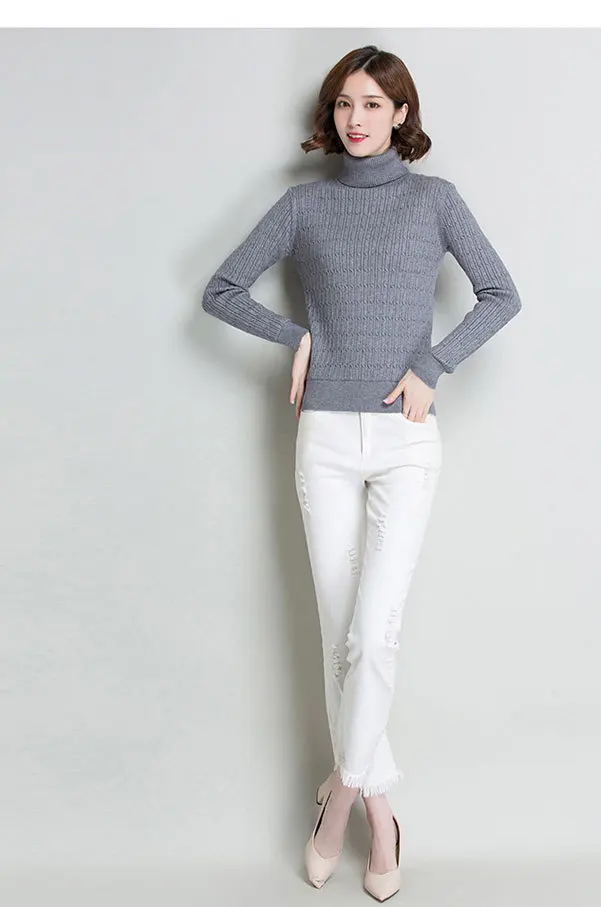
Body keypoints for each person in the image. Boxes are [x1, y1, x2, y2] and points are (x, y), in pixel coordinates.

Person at [202, 44, 522, 901]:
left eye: (374, 104)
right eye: (345, 103)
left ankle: (341, 796)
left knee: (374, 634)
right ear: (331, 113)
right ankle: (383, 812)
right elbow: (222, 289)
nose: (356, 119)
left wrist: (434, 364)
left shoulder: (434, 201)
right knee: (339, 628)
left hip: (407, 439)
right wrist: (297, 337)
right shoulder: (303, 206)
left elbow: (500, 293)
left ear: (402, 114)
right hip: (326, 439)